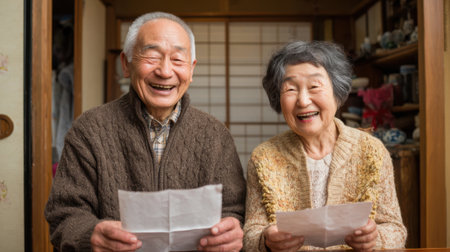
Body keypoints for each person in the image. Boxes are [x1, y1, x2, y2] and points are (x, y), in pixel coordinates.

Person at [45, 12, 246, 252]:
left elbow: (236, 209)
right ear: (126, 64)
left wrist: (234, 227)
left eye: (178, 60)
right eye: (151, 56)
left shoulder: (215, 135)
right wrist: (91, 234)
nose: (165, 71)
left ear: (191, 70)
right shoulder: (88, 130)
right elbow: (64, 215)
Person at [243, 41, 406, 252]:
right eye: (290, 89)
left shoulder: (372, 151)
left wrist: (376, 238)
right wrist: (265, 240)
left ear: (337, 93)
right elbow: (250, 235)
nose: (303, 100)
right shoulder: (264, 157)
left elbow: (396, 231)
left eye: (314, 87)